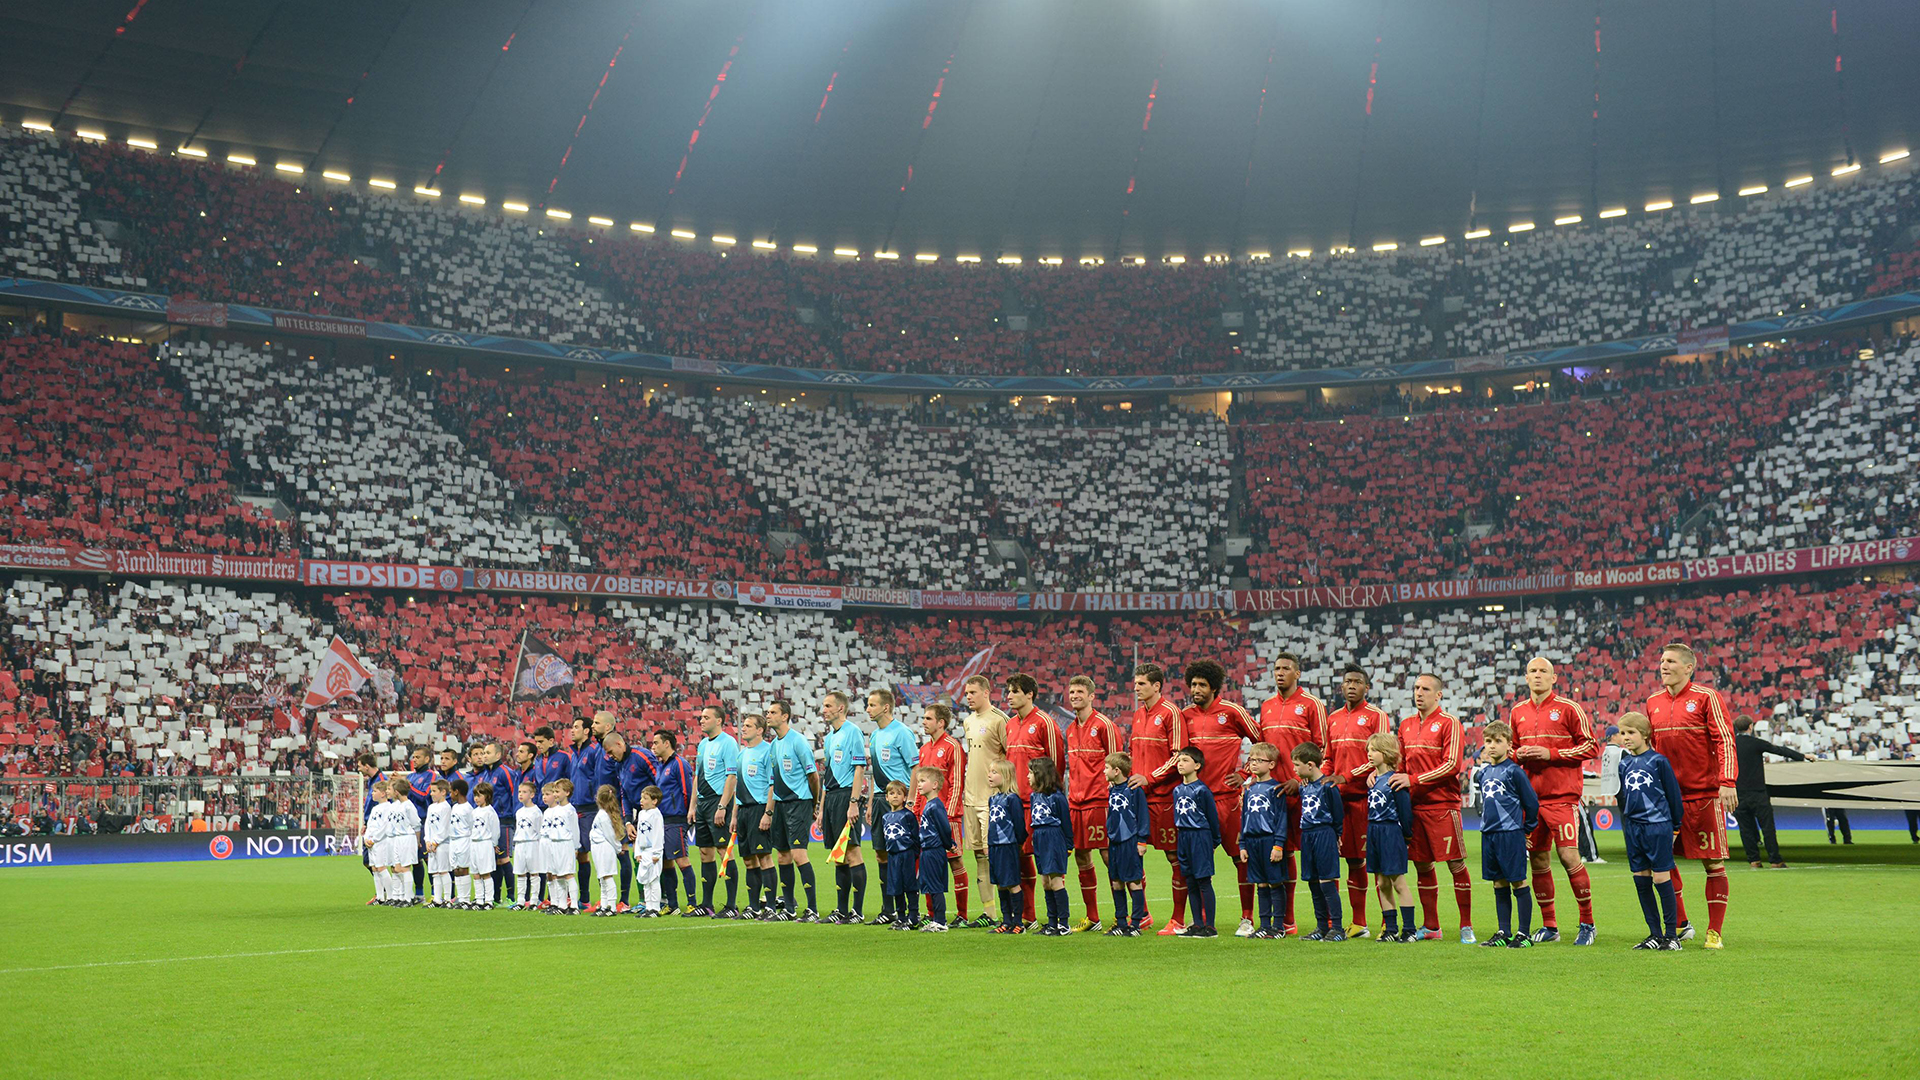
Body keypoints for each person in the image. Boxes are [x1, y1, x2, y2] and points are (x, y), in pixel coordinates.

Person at [1645, 642, 1737, 949]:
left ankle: (1715, 931)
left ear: (1688, 667)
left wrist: (1728, 781)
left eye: (1670, 661)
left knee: (1712, 864)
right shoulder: (1653, 702)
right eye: (1661, 660)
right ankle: (1681, 923)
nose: (1664, 666)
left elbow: (1725, 739)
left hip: (1704, 794)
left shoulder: (1706, 697)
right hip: (1666, 799)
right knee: (1662, 861)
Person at [1509, 657, 1599, 945]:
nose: (1537, 676)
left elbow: (1591, 745)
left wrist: (1552, 754)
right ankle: (1550, 926)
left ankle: (1587, 923)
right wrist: (1516, 756)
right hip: (1531, 801)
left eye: (1543, 671)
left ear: (1554, 677)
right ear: (1526, 678)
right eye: (1532, 671)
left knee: (1570, 857)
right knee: (1537, 860)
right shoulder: (1518, 712)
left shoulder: (1569, 708)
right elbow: (1511, 748)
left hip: (1562, 798)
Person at [1389, 673, 1473, 943]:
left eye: (1425, 688)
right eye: (1415, 688)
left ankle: (1466, 926)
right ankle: (1432, 927)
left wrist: (1412, 780)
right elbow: (1400, 765)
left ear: (1438, 694)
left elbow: (1452, 765)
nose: (1419, 693)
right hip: (1415, 808)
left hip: (1443, 806)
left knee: (1455, 864)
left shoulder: (1450, 723)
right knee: (1422, 866)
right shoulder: (1406, 725)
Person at [1179, 660, 1261, 936]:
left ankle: (1247, 918)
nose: (1196, 689)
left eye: (1202, 685)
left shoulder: (1232, 712)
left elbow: (1261, 740)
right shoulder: (1185, 715)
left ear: (1214, 687)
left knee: (1241, 857)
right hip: (1194, 802)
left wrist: (1245, 772)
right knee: (1195, 864)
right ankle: (1201, 921)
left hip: (1227, 800)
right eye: (1193, 684)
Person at [1257, 652, 1325, 936]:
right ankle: (1286, 920)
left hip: (1303, 791)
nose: (1280, 673)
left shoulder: (1311, 705)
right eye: (1276, 668)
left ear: (1297, 673)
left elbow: (1321, 748)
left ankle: (1324, 921)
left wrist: (1301, 780)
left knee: (1309, 854)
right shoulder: (1267, 706)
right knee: (1280, 852)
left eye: (1286, 668)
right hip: (1274, 793)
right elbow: (1263, 750)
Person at [1325, 663, 1388, 939]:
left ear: (1366, 687)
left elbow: (1383, 754)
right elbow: (1328, 757)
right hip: (1340, 801)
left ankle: (1389, 921)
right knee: (1352, 861)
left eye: (1357, 682)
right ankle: (1359, 923)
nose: (1351, 686)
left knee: (1377, 861)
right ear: (1341, 687)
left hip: (1369, 798)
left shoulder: (1377, 716)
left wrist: (1345, 776)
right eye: (1347, 681)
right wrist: (1325, 779)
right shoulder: (1333, 718)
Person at [1127, 662, 1187, 934]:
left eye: (1141, 684)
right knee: (1133, 857)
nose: (1136, 687)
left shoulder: (1171, 713)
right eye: (1136, 683)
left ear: (1156, 686)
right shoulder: (1138, 714)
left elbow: (1178, 756)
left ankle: (1178, 919)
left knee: (1174, 857)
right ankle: (1142, 914)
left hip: (1163, 798)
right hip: (1137, 798)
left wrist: (1149, 778)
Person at [1616, 713, 1685, 950]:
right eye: (1623, 733)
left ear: (1645, 735)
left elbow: (1674, 796)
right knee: (1640, 879)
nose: (1626, 738)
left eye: (1631, 733)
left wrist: (1675, 826)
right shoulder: (1623, 763)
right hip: (1633, 828)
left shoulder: (1658, 761)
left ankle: (1671, 936)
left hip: (1658, 826)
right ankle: (1654, 934)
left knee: (1660, 877)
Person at [1002, 672, 1066, 927]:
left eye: (1014, 691)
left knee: (1046, 862)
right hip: (1014, 802)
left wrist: (1050, 798)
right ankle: (1028, 915)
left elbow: (1056, 763)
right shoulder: (1009, 724)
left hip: (1039, 804)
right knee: (1019, 857)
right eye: (1008, 691)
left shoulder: (1044, 722)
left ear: (1029, 694)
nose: (1009, 696)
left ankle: (1057, 918)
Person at [1064, 675, 1122, 932]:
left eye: (1079, 691)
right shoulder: (1070, 728)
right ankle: (1093, 917)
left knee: (1111, 856)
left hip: (1101, 800)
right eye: (1071, 691)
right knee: (1081, 856)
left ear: (1091, 696)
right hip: (1076, 801)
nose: (1074, 695)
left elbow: (1119, 762)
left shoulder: (1104, 725)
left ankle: (1135, 914)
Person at [1476, 722, 1540, 948]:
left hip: (1510, 833)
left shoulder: (1514, 771)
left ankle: (1524, 934)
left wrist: (1526, 829)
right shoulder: (1483, 772)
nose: (1492, 746)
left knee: (1518, 881)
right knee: (1498, 883)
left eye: (1498, 741)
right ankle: (1504, 931)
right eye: (1488, 742)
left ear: (1509, 745)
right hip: (1489, 834)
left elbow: (1531, 803)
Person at [815, 691, 870, 923]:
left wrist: (854, 802)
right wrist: (821, 807)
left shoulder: (853, 732)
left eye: (828, 706)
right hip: (832, 798)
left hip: (848, 795)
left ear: (840, 708)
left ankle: (857, 911)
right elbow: (828, 775)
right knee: (838, 855)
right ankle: (841, 909)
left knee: (852, 851)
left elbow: (859, 769)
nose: (823, 710)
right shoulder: (829, 738)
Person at [959, 674, 1009, 927]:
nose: (968, 696)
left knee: (995, 855)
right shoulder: (968, 722)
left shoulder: (1000, 720)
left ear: (986, 692)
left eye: (973, 692)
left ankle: (1010, 912)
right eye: (966, 693)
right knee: (979, 855)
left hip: (992, 800)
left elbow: (1010, 759)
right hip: (971, 797)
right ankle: (989, 914)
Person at [865, 688, 918, 925]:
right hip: (879, 800)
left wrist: (911, 800)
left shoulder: (902, 733)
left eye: (872, 705)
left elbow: (915, 767)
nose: (868, 709)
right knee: (880, 854)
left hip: (899, 802)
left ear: (886, 707)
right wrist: (870, 803)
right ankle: (889, 909)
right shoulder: (875, 735)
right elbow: (876, 774)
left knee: (903, 855)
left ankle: (910, 910)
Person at [766, 701, 822, 920]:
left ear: (785, 716)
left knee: (799, 855)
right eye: (768, 712)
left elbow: (813, 776)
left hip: (799, 802)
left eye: (773, 712)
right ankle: (789, 908)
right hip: (780, 804)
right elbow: (773, 779)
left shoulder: (798, 741)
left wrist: (813, 805)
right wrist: (770, 811)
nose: (768, 715)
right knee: (782, 856)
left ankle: (813, 909)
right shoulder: (773, 745)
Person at [913, 702, 968, 926]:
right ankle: (932, 914)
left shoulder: (953, 746)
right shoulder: (924, 749)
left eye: (928, 719)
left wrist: (949, 813)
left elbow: (957, 783)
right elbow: (920, 784)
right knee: (927, 865)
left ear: (941, 722)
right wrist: (916, 810)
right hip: (925, 817)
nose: (924, 722)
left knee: (955, 861)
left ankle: (962, 915)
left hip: (947, 815)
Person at [689, 705, 741, 918]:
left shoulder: (728, 742)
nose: (701, 720)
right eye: (701, 717)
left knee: (723, 851)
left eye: (706, 717)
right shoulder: (702, 744)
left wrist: (722, 806)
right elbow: (697, 776)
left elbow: (732, 776)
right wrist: (693, 806)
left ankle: (731, 906)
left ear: (719, 720)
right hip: (702, 803)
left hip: (718, 802)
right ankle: (707, 904)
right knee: (704, 853)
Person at [1733, 714, 1803, 868]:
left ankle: (1754, 860)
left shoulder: (1730, 745)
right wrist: (1802, 756)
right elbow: (1779, 750)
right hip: (1757, 792)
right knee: (1767, 827)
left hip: (1738, 793)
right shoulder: (1756, 743)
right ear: (1751, 727)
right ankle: (1775, 860)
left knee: (1746, 829)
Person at [1365, 733, 1415, 943]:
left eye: (1374, 750)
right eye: (1368, 750)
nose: (1369, 753)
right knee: (1382, 882)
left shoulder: (1395, 780)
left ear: (1386, 754)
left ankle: (1410, 930)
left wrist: (1406, 837)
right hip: (1374, 831)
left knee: (1398, 883)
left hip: (1390, 833)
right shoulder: (1372, 779)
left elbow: (1405, 813)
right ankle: (1391, 929)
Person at [1293, 743, 1346, 941]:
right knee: (1313, 883)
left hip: (1324, 834)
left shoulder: (1328, 786)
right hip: (1307, 835)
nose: (1294, 769)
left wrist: (1337, 836)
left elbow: (1337, 814)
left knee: (1326, 882)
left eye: (1297, 765)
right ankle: (1322, 927)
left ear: (1310, 765)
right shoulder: (1303, 786)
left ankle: (1338, 928)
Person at [639, 729, 695, 914]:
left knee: (681, 860)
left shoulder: (680, 764)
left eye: (656, 742)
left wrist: (686, 815)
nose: (652, 746)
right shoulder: (661, 765)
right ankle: (672, 904)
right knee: (665, 863)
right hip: (661, 820)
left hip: (675, 819)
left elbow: (687, 790)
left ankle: (692, 903)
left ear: (667, 743)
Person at [1236, 743, 1287, 939]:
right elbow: (1244, 818)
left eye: (1259, 760)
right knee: (1261, 884)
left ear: (1272, 764)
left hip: (1269, 841)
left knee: (1274, 883)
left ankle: (1278, 926)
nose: (1254, 764)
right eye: (1252, 760)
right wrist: (1242, 844)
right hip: (1253, 842)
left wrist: (1278, 844)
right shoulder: (1249, 789)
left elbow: (1281, 819)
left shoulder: (1276, 789)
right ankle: (1264, 924)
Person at [1171, 747, 1222, 938]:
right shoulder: (1177, 790)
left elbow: (1212, 818)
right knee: (1190, 881)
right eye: (1179, 760)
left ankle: (1210, 926)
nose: (1180, 764)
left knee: (1203, 880)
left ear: (1197, 765)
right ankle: (1197, 924)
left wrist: (1214, 841)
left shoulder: (1202, 790)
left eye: (1185, 760)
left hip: (1200, 836)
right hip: (1183, 837)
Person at [734, 713, 778, 919]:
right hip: (743, 811)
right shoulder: (741, 754)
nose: (743, 728)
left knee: (764, 857)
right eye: (744, 725)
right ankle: (753, 907)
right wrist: (734, 815)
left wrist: (768, 813)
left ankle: (770, 905)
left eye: (749, 725)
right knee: (748, 860)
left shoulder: (768, 752)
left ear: (760, 730)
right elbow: (738, 787)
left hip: (760, 808)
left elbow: (772, 785)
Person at [1103, 752, 1149, 937]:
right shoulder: (1112, 789)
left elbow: (1142, 816)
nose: (1103, 771)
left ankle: (1136, 924)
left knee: (1134, 882)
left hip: (1130, 842)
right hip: (1114, 842)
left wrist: (1142, 841)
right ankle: (1121, 923)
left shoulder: (1134, 790)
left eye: (1106, 768)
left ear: (1116, 770)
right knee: (1116, 882)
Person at [1027, 756, 1073, 936]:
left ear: (1041, 775)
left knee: (1055, 881)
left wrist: (1068, 845)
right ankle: (1052, 922)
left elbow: (1066, 823)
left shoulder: (1057, 798)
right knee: (1045, 882)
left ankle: (1064, 924)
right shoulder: (1034, 796)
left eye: (1031, 773)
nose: (1028, 777)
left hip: (1054, 838)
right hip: (1040, 838)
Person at [569, 716, 610, 909]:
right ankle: (584, 899)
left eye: (576, 727)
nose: (572, 730)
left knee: (597, 853)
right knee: (581, 855)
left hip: (591, 808)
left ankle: (605, 897)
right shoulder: (573, 754)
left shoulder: (594, 751)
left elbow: (599, 778)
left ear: (586, 731)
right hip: (576, 807)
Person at [985, 760, 1028, 934]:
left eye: (994, 772)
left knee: (1012, 883)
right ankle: (1006, 920)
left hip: (1007, 846)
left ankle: (1018, 922)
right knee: (1000, 883)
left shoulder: (1012, 799)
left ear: (1006, 776)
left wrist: (1018, 843)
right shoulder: (993, 799)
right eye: (990, 771)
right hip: (995, 846)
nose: (989, 775)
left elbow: (1019, 825)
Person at [915, 766, 954, 931]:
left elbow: (944, 828)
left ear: (935, 784)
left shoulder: (936, 805)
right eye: (918, 781)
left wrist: (948, 844)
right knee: (930, 886)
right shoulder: (929, 805)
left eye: (923, 781)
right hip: (927, 850)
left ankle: (941, 921)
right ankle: (936, 919)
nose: (919, 785)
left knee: (935, 886)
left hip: (934, 850)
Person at [878, 780, 920, 929]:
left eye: (899, 793)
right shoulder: (885, 818)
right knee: (896, 886)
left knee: (909, 885)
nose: (895, 796)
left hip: (906, 854)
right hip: (893, 856)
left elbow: (915, 836)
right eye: (892, 793)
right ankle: (901, 916)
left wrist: (912, 854)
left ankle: (913, 916)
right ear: (887, 797)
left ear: (904, 797)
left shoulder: (908, 815)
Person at [543, 779, 580, 913]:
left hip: (566, 844)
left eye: (557, 791)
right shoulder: (554, 810)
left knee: (568, 874)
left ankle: (574, 905)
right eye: (554, 792)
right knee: (558, 875)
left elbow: (575, 830)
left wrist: (576, 847)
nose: (555, 794)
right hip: (555, 844)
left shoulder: (570, 810)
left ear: (567, 792)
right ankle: (562, 905)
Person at [405, 747, 436, 900]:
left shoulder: (431, 776)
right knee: (414, 859)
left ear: (427, 759)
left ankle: (435, 892)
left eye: (418, 757)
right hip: (409, 823)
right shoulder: (410, 776)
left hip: (424, 821)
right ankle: (419, 893)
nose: (414, 759)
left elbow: (424, 796)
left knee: (427, 857)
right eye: (413, 757)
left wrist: (408, 787)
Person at [589, 784, 623, 916]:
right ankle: (604, 905)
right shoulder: (602, 814)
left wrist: (617, 848)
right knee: (602, 878)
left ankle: (612, 906)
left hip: (604, 848)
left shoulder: (602, 815)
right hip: (598, 848)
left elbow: (609, 834)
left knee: (607, 877)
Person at [632, 786, 667, 916]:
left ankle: (655, 908)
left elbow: (658, 834)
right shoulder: (641, 814)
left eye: (645, 798)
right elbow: (640, 835)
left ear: (654, 801)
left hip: (653, 851)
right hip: (644, 851)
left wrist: (657, 853)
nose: (641, 801)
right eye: (641, 798)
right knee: (645, 880)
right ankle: (648, 907)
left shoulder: (656, 815)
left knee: (654, 879)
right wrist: (638, 852)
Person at [511, 779, 543, 909]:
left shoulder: (536, 812)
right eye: (519, 792)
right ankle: (520, 900)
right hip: (520, 844)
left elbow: (539, 830)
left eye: (524, 792)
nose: (520, 794)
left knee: (534, 873)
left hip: (532, 844)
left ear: (532, 795)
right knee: (520, 873)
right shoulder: (519, 812)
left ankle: (534, 901)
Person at [470, 782, 500, 909]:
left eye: (479, 795)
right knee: (476, 874)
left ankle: (489, 900)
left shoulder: (490, 812)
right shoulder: (474, 812)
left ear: (487, 796)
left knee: (486, 873)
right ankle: (479, 899)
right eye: (475, 795)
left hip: (485, 843)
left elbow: (495, 829)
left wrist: (494, 844)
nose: (476, 798)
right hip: (474, 843)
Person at [424, 778, 454, 907]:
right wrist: (427, 840)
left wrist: (436, 842)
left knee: (443, 871)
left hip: (442, 844)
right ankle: (437, 899)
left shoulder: (446, 807)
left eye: (434, 791)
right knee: (435, 872)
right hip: (431, 844)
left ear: (443, 792)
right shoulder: (431, 807)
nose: (431, 793)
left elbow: (445, 827)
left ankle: (447, 898)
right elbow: (427, 825)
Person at [448, 777, 474, 908]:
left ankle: (466, 899)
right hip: (454, 840)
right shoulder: (454, 807)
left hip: (464, 840)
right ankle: (460, 897)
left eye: (451, 792)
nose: (450, 795)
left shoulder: (468, 808)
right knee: (456, 869)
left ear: (456, 792)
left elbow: (471, 826)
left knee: (463, 869)